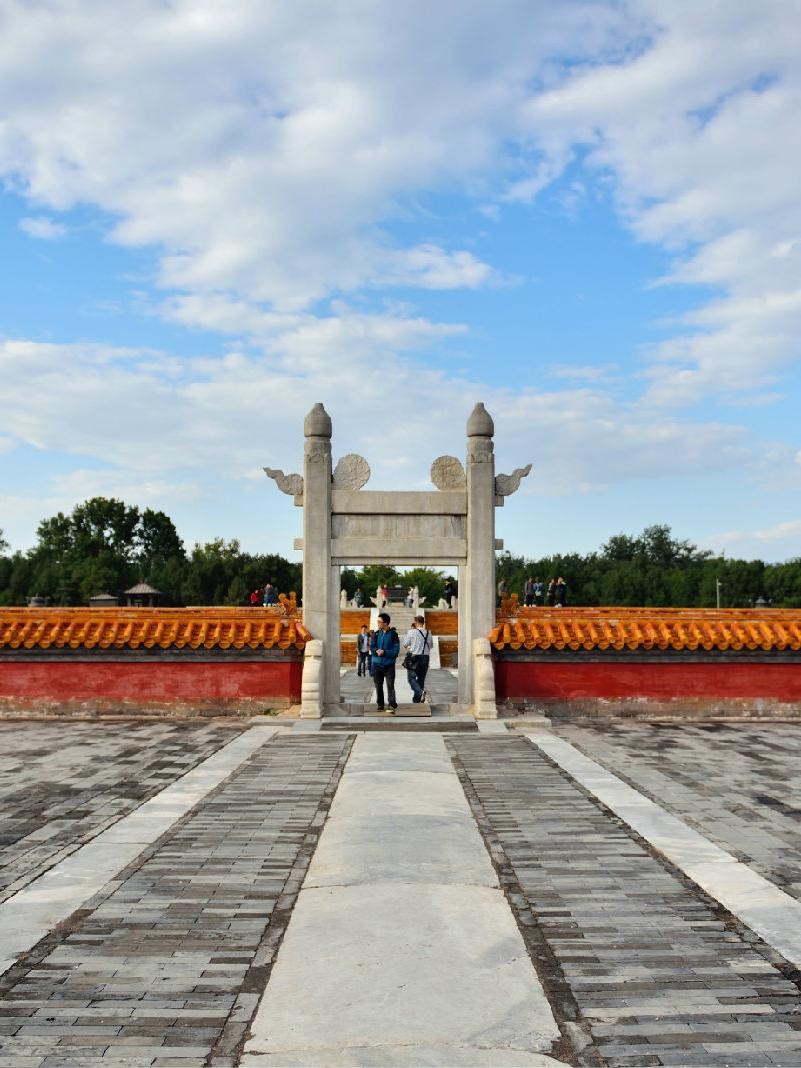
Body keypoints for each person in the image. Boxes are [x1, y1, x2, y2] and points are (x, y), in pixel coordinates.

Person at [371, 612, 399, 712]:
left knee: (390, 685)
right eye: (378, 621)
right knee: (378, 685)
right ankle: (380, 704)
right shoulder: (375, 634)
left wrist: (384, 652)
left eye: (380, 621)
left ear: (386, 623)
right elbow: (372, 647)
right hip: (377, 664)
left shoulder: (393, 635)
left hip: (389, 665)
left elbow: (396, 651)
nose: (378, 623)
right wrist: (376, 651)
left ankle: (392, 704)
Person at [403, 615, 433, 704]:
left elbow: (405, 644)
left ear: (416, 623)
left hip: (414, 658)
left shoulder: (411, 632)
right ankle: (416, 700)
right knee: (421, 679)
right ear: (423, 623)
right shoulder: (428, 633)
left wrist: (410, 647)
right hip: (425, 657)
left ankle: (420, 693)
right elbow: (431, 646)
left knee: (411, 678)